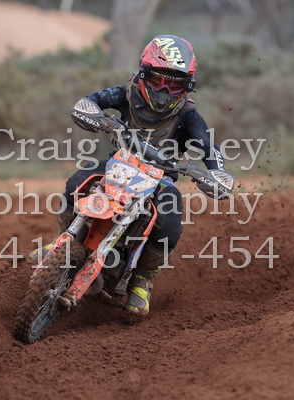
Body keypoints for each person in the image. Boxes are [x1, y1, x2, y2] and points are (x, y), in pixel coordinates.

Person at [47, 35, 227, 315]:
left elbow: (209, 147)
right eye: (158, 81)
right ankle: (64, 244)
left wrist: (216, 173)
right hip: (118, 163)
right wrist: (93, 114)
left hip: (160, 179)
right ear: (144, 74)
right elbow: (91, 101)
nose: (164, 90)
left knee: (170, 220)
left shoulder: (188, 115)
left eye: (174, 84)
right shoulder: (126, 93)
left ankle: (142, 281)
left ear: (187, 86)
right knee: (76, 183)